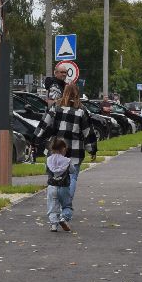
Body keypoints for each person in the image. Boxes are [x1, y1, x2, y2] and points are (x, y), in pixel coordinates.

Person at [37, 81, 89, 221]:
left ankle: (56, 210)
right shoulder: (81, 110)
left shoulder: (56, 107)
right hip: (76, 151)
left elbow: (44, 123)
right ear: (77, 93)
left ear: (64, 92)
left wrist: (36, 137)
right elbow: (87, 132)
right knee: (72, 178)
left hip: (56, 148)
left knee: (54, 178)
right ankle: (66, 208)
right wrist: (92, 149)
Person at [43, 135, 74, 232]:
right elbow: (72, 171)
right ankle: (63, 218)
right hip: (64, 187)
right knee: (67, 206)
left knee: (52, 206)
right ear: (64, 149)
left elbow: (46, 170)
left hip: (52, 187)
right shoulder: (67, 161)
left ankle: (53, 225)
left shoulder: (49, 160)